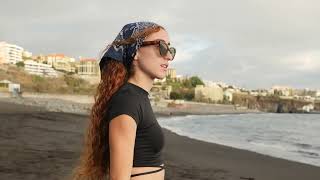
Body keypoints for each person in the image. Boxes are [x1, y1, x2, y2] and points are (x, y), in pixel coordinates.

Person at [71, 21, 176, 180]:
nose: (168, 56)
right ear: (136, 52)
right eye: (161, 46)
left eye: (170, 49)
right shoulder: (128, 101)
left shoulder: (137, 97)